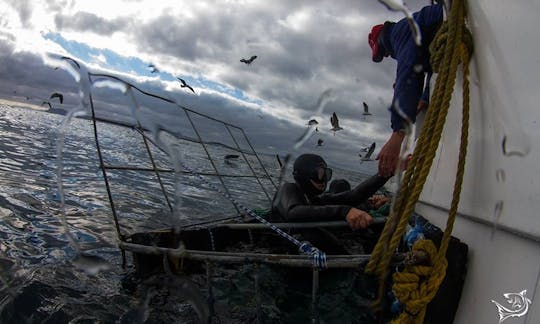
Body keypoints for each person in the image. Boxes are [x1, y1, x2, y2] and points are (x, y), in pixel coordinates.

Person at [368, 3, 444, 177]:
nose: (387, 56)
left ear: (381, 40)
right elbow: (431, 65)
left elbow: (408, 73)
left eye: (382, 53)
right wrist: (425, 98)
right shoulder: (409, 30)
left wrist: (397, 135)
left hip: (446, 17)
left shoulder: (400, 32)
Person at [271, 154, 390, 230]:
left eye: (326, 174)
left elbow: (354, 196)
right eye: (320, 174)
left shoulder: (314, 199)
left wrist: (386, 173)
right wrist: (343, 211)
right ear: (304, 175)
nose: (323, 180)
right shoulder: (287, 188)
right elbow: (293, 212)